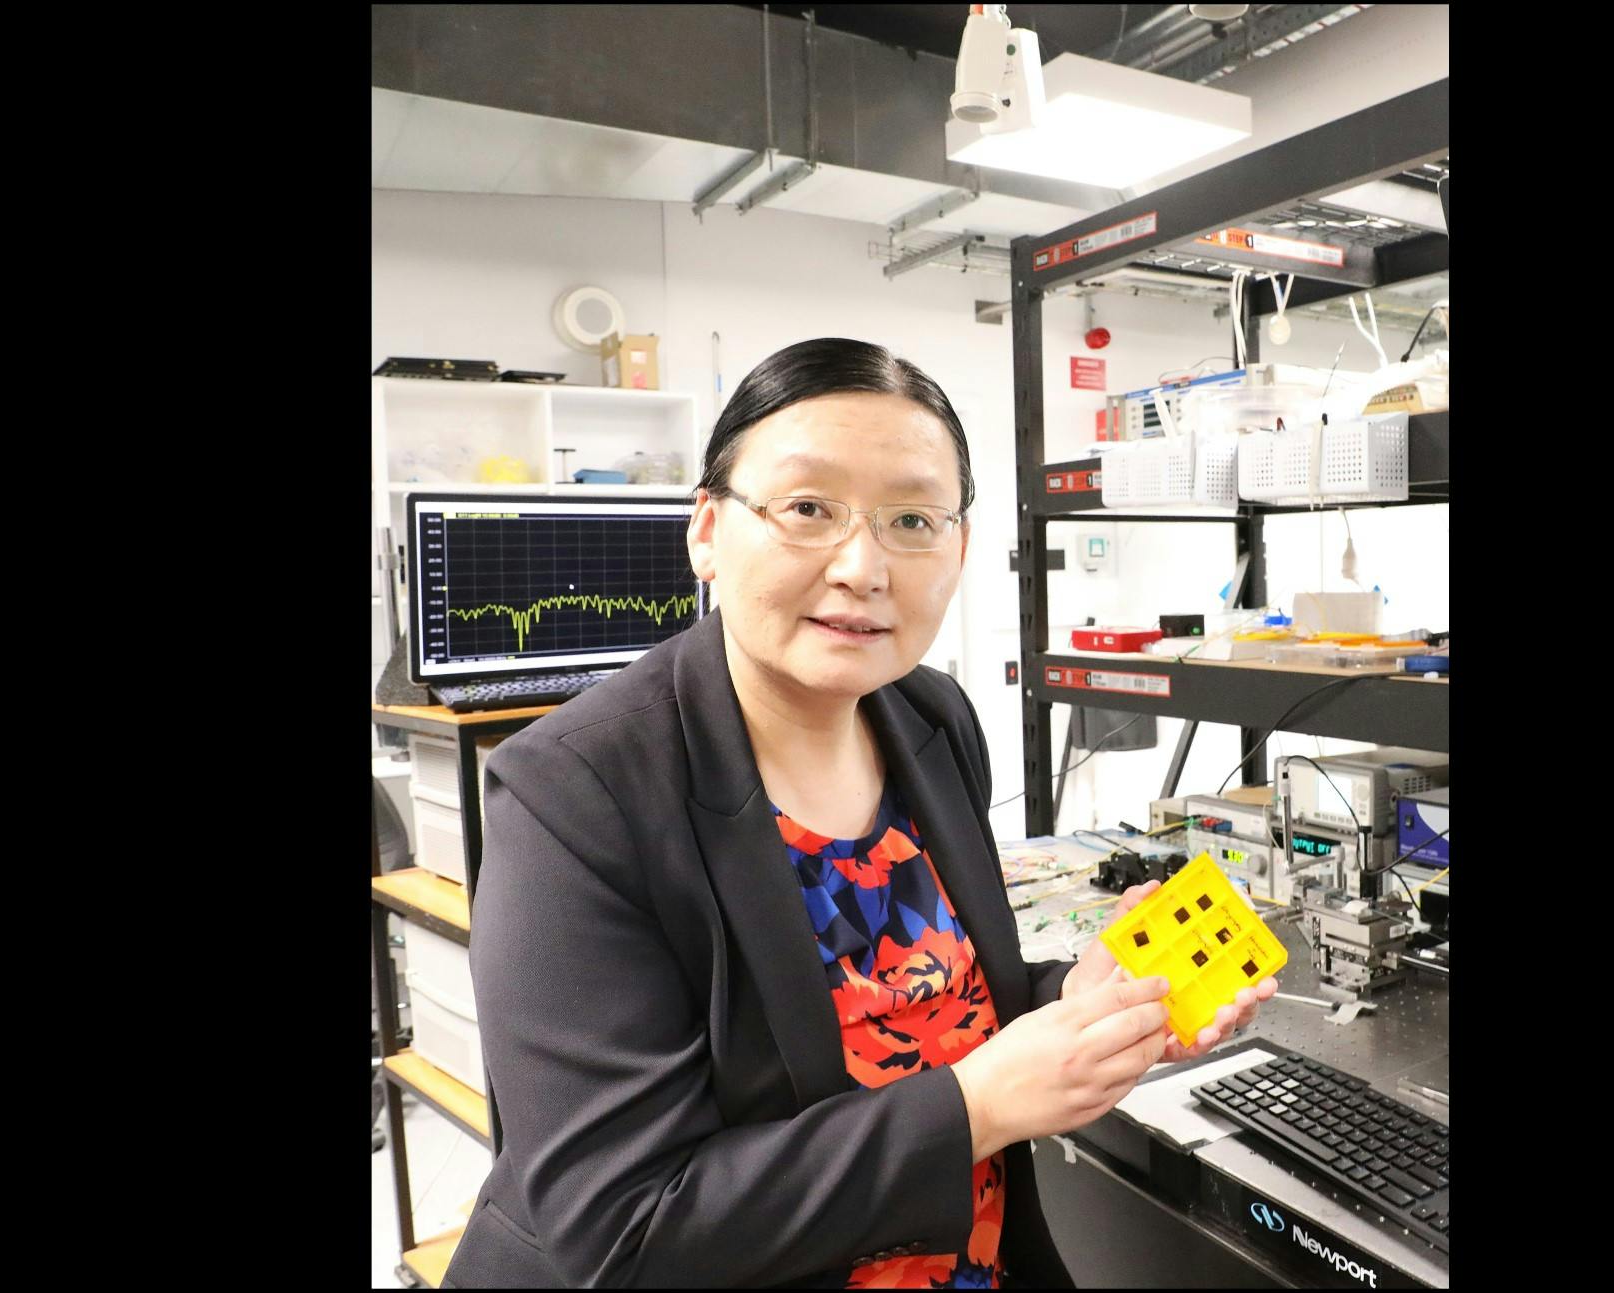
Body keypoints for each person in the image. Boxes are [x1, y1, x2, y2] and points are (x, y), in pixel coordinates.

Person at [441, 338, 1276, 1289]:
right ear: (707, 530)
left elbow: (928, 1003)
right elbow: (627, 1227)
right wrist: (979, 1107)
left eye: (912, 518)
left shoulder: (930, 715)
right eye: (807, 509)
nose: (862, 565)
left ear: (959, 547)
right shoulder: (574, 794)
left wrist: (1079, 1008)